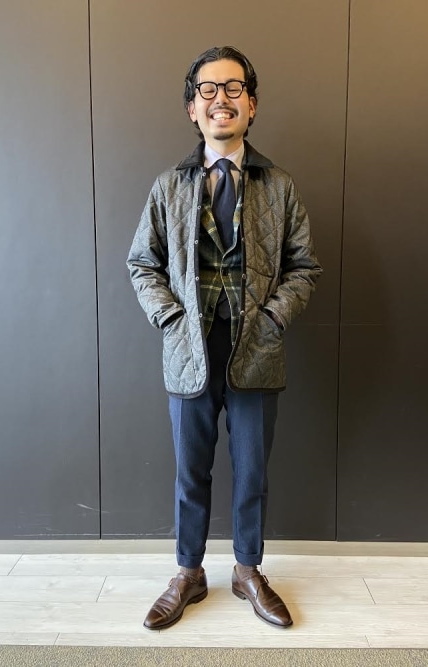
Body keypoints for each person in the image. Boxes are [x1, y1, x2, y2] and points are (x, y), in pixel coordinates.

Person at [127, 45, 322, 630]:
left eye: (234, 88)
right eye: (207, 90)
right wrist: (171, 320)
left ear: (252, 104)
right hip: (190, 351)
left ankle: (247, 570)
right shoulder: (168, 186)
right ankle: (188, 573)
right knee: (191, 472)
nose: (221, 100)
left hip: (257, 350)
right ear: (193, 108)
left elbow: (304, 267)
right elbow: (142, 264)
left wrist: (273, 319)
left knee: (252, 472)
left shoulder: (280, 186)